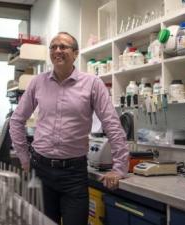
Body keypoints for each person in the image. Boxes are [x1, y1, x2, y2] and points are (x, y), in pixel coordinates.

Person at [9, 31, 129, 225]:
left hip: (74, 174)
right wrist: (24, 157)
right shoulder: (37, 83)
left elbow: (112, 125)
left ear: (75, 53)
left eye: (63, 47)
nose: (58, 50)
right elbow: (16, 121)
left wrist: (119, 167)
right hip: (40, 170)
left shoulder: (93, 84)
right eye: (54, 47)